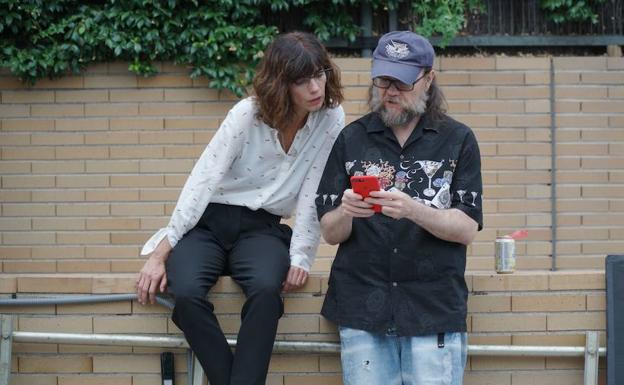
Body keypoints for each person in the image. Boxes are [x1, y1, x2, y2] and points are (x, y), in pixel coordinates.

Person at [135, 31, 344, 385]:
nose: (315, 87)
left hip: (262, 230)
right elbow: (202, 180)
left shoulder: (330, 117)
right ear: (281, 83)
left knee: (266, 290)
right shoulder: (247, 114)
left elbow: (315, 187)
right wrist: (160, 252)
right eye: (302, 80)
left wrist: (301, 255)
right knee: (184, 293)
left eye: (320, 74)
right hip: (208, 224)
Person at [315, 31, 483, 385]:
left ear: (428, 79)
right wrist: (347, 210)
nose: (390, 91)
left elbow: (467, 228)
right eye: (383, 80)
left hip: (432, 307)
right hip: (363, 306)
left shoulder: (458, 140)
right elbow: (330, 233)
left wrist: (412, 209)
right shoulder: (351, 138)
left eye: (403, 82)